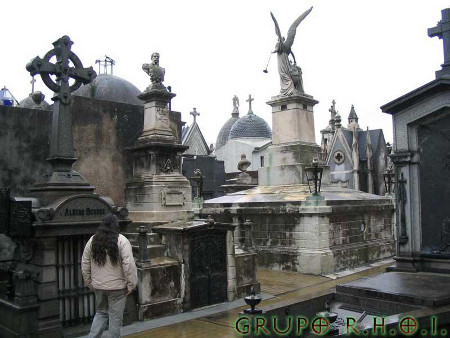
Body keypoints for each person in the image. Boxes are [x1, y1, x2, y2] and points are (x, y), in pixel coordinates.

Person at [82, 214, 137, 338]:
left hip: (99, 286)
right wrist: (131, 284)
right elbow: (129, 264)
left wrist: (89, 282)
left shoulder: (93, 240)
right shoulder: (122, 240)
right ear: (116, 225)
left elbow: (85, 263)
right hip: (117, 288)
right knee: (115, 319)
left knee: (101, 313)